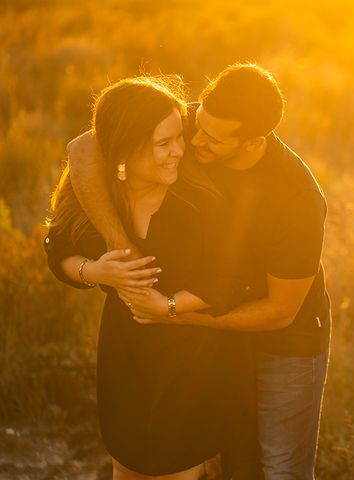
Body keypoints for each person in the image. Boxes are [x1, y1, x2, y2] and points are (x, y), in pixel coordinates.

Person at [68, 63, 331, 480]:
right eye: (198, 123)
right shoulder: (196, 123)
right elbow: (84, 148)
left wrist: (173, 312)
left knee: (279, 466)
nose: (194, 139)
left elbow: (280, 310)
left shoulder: (296, 199)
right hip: (208, 314)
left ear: (252, 143)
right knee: (222, 455)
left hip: (282, 336)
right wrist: (121, 247)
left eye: (212, 137)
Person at [45, 76, 257, 480]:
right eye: (164, 144)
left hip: (194, 360)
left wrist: (169, 305)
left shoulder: (199, 202)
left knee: (176, 467)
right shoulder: (97, 195)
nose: (180, 151)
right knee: (127, 463)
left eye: (180, 137)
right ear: (124, 148)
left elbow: (234, 279)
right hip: (125, 353)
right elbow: (58, 248)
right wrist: (96, 270)